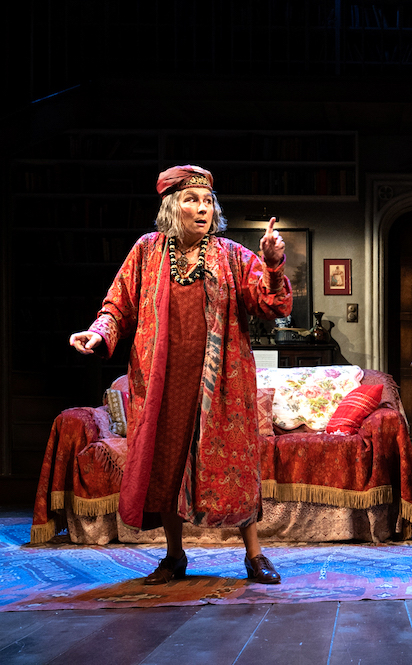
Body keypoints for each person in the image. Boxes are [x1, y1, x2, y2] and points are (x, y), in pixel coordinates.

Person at [69, 165, 291, 585]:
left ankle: (255, 555)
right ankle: (174, 555)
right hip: (162, 382)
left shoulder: (231, 255)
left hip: (221, 383)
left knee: (236, 464)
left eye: (208, 201)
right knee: (166, 466)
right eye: (192, 200)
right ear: (173, 207)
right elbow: (117, 305)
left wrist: (273, 263)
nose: (203, 208)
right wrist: (98, 332)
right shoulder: (147, 251)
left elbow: (271, 304)